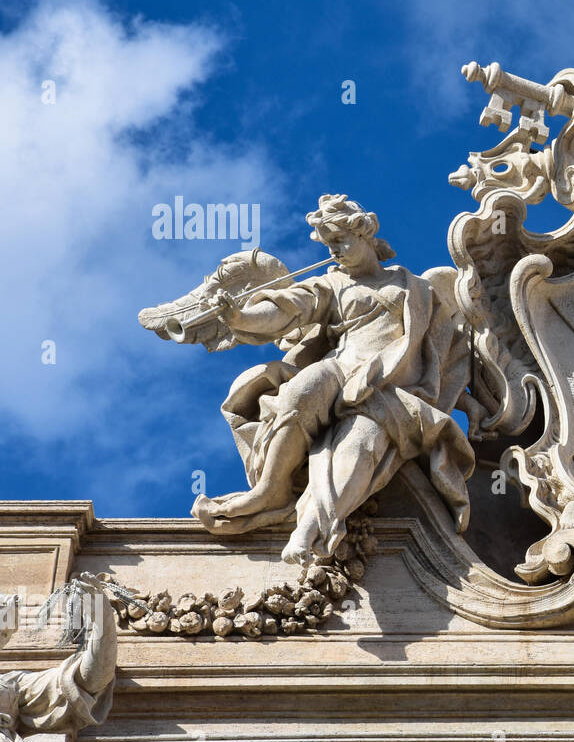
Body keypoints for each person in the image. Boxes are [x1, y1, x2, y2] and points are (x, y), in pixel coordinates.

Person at [193, 194, 476, 564]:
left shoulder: (417, 287)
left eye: (342, 240)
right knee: (298, 392)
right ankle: (269, 490)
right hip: (343, 365)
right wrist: (240, 317)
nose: (336, 251)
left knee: (359, 444)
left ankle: (309, 530)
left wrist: (470, 404)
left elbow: (447, 350)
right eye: (330, 245)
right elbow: (287, 309)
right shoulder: (333, 284)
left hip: (391, 387)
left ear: (366, 233)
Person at [0, 577, 116, 742]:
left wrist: (101, 619)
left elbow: (87, 680)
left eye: (5, 633)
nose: (2, 637)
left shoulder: (10, 686)